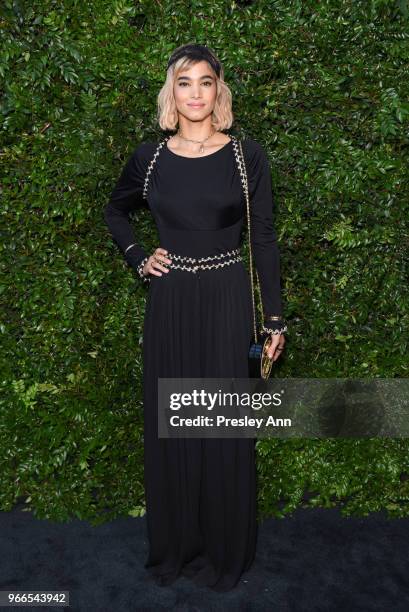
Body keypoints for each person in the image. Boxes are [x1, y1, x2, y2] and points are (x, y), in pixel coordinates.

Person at [104, 43, 287, 592]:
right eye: (185, 82)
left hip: (229, 300)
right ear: (172, 92)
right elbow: (115, 210)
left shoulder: (244, 155)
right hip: (172, 301)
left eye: (206, 82)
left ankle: (225, 551)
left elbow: (265, 239)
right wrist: (139, 256)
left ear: (219, 90)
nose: (196, 94)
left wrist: (273, 321)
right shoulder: (150, 158)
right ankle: (177, 549)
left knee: (223, 429)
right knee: (174, 428)